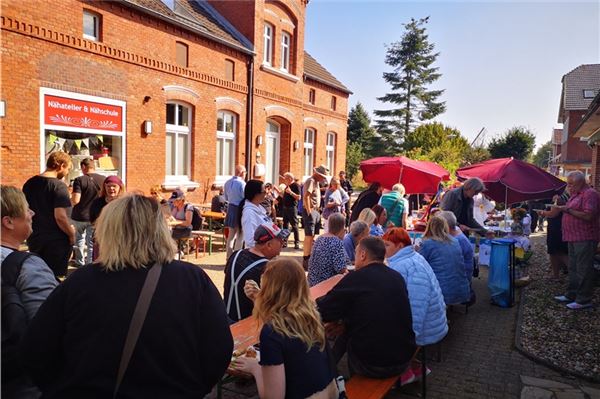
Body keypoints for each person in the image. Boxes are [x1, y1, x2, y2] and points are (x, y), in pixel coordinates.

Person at [20, 194, 233, 397]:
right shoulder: (191, 279)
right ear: (160, 231)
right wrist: (192, 389)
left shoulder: (81, 282)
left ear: (107, 231)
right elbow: (219, 348)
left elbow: (36, 349)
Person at [233, 259, 338, 399]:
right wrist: (256, 299)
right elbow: (282, 328)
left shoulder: (271, 334)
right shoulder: (312, 317)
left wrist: (256, 369)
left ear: (269, 289)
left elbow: (273, 397)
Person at [317, 237, 416, 378]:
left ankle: (325, 375)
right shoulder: (396, 277)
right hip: (404, 356)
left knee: (332, 331)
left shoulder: (356, 278)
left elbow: (324, 310)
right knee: (346, 328)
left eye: (356, 253)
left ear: (363, 255)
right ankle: (329, 370)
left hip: (374, 364)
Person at [1, 185, 58, 398]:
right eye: (26, 209)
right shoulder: (28, 266)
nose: (32, 213)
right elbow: (46, 330)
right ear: (8, 222)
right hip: (17, 382)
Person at [382, 228, 448, 347]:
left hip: (426, 331)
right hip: (432, 323)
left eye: (387, 245)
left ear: (400, 246)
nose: (383, 249)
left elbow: (416, 307)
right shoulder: (413, 257)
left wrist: (408, 338)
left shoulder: (407, 265)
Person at [550, 171, 600, 309]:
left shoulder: (590, 194)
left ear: (581, 182)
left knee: (583, 268)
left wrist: (568, 210)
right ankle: (571, 294)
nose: (569, 187)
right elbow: (570, 207)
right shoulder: (575, 194)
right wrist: (561, 204)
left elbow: (589, 216)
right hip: (572, 236)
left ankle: (584, 299)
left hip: (585, 237)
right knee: (572, 267)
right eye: (568, 184)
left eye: (572, 184)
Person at [22, 151, 75, 278]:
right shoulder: (59, 186)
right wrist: (71, 234)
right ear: (61, 165)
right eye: (68, 169)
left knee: (38, 275)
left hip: (34, 237)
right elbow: (60, 216)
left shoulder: (29, 183)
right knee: (55, 278)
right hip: (56, 241)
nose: (67, 172)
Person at [223, 223, 288, 322]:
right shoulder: (267, 269)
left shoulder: (237, 254)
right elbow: (274, 305)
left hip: (226, 316)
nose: (283, 244)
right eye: (280, 240)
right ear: (269, 245)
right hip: (247, 322)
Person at [419, 215, 470, 305]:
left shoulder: (428, 244)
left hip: (442, 292)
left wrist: (416, 251)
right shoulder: (455, 241)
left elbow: (419, 264)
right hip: (462, 289)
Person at [70, 158, 105, 267]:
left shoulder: (79, 180)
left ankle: (80, 263)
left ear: (84, 167)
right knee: (91, 243)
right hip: (95, 216)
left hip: (79, 216)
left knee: (79, 241)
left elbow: (76, 200)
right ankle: (90, 265)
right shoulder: (103, 179)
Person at [308, 213, 348, 286]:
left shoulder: (319, 239)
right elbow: (341, 269)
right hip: (326, 285)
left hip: (312, 282)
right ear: (342, 227)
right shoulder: (337, 242)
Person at [302, 165, 329, 270]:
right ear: (317, 174)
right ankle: (306, 259)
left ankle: (310, 258)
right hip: (312, 210)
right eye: (322, 176)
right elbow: (306, 196)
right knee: (309, 235)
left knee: (313, 235)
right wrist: (309, 211)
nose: (323, 178)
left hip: (316, 210)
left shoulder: (316, 182)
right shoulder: (311, 181)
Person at [438, 211, 474, 280]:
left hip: (460, 278)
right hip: (461, 275)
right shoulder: (456, 232)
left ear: (445, 226)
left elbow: (447, 263)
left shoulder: (458, 241)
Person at [537, 199, 568, 279]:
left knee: (560, 252)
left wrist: (542, 212)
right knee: (554, 252)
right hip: (555, 227)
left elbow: (553, 213)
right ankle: (556, 275)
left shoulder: (559, 197)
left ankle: (574, 275)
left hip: (557, 229)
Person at [224, 165, 247, 258]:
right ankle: (236, 258)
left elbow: (225, 197)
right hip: (239, 209)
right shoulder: (242, 183)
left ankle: (228, 257)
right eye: (245, 172)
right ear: (242, 172)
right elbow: (245, 198)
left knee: (230, 236)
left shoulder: (227, 182)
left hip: (230, 208)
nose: (245, 174)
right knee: (240, 235)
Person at [241, 180, 271, 248]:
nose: (266, 193)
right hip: (257, 254)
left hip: (265, 252)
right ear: (256, 194)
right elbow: (250, 241)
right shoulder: (249, 213)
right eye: (264, 192)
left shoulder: (260, 209)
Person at [282, 172, 301, 249]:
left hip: (292, 208)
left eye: (285, 178)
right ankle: (285, 241)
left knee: (294, 225)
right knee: (285, 225)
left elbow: (299, 197)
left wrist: (290, 192)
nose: (284, 180)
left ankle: (296, 242)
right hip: (285, 208)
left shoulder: (296, 185)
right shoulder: (287, 186)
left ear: (290, 178)